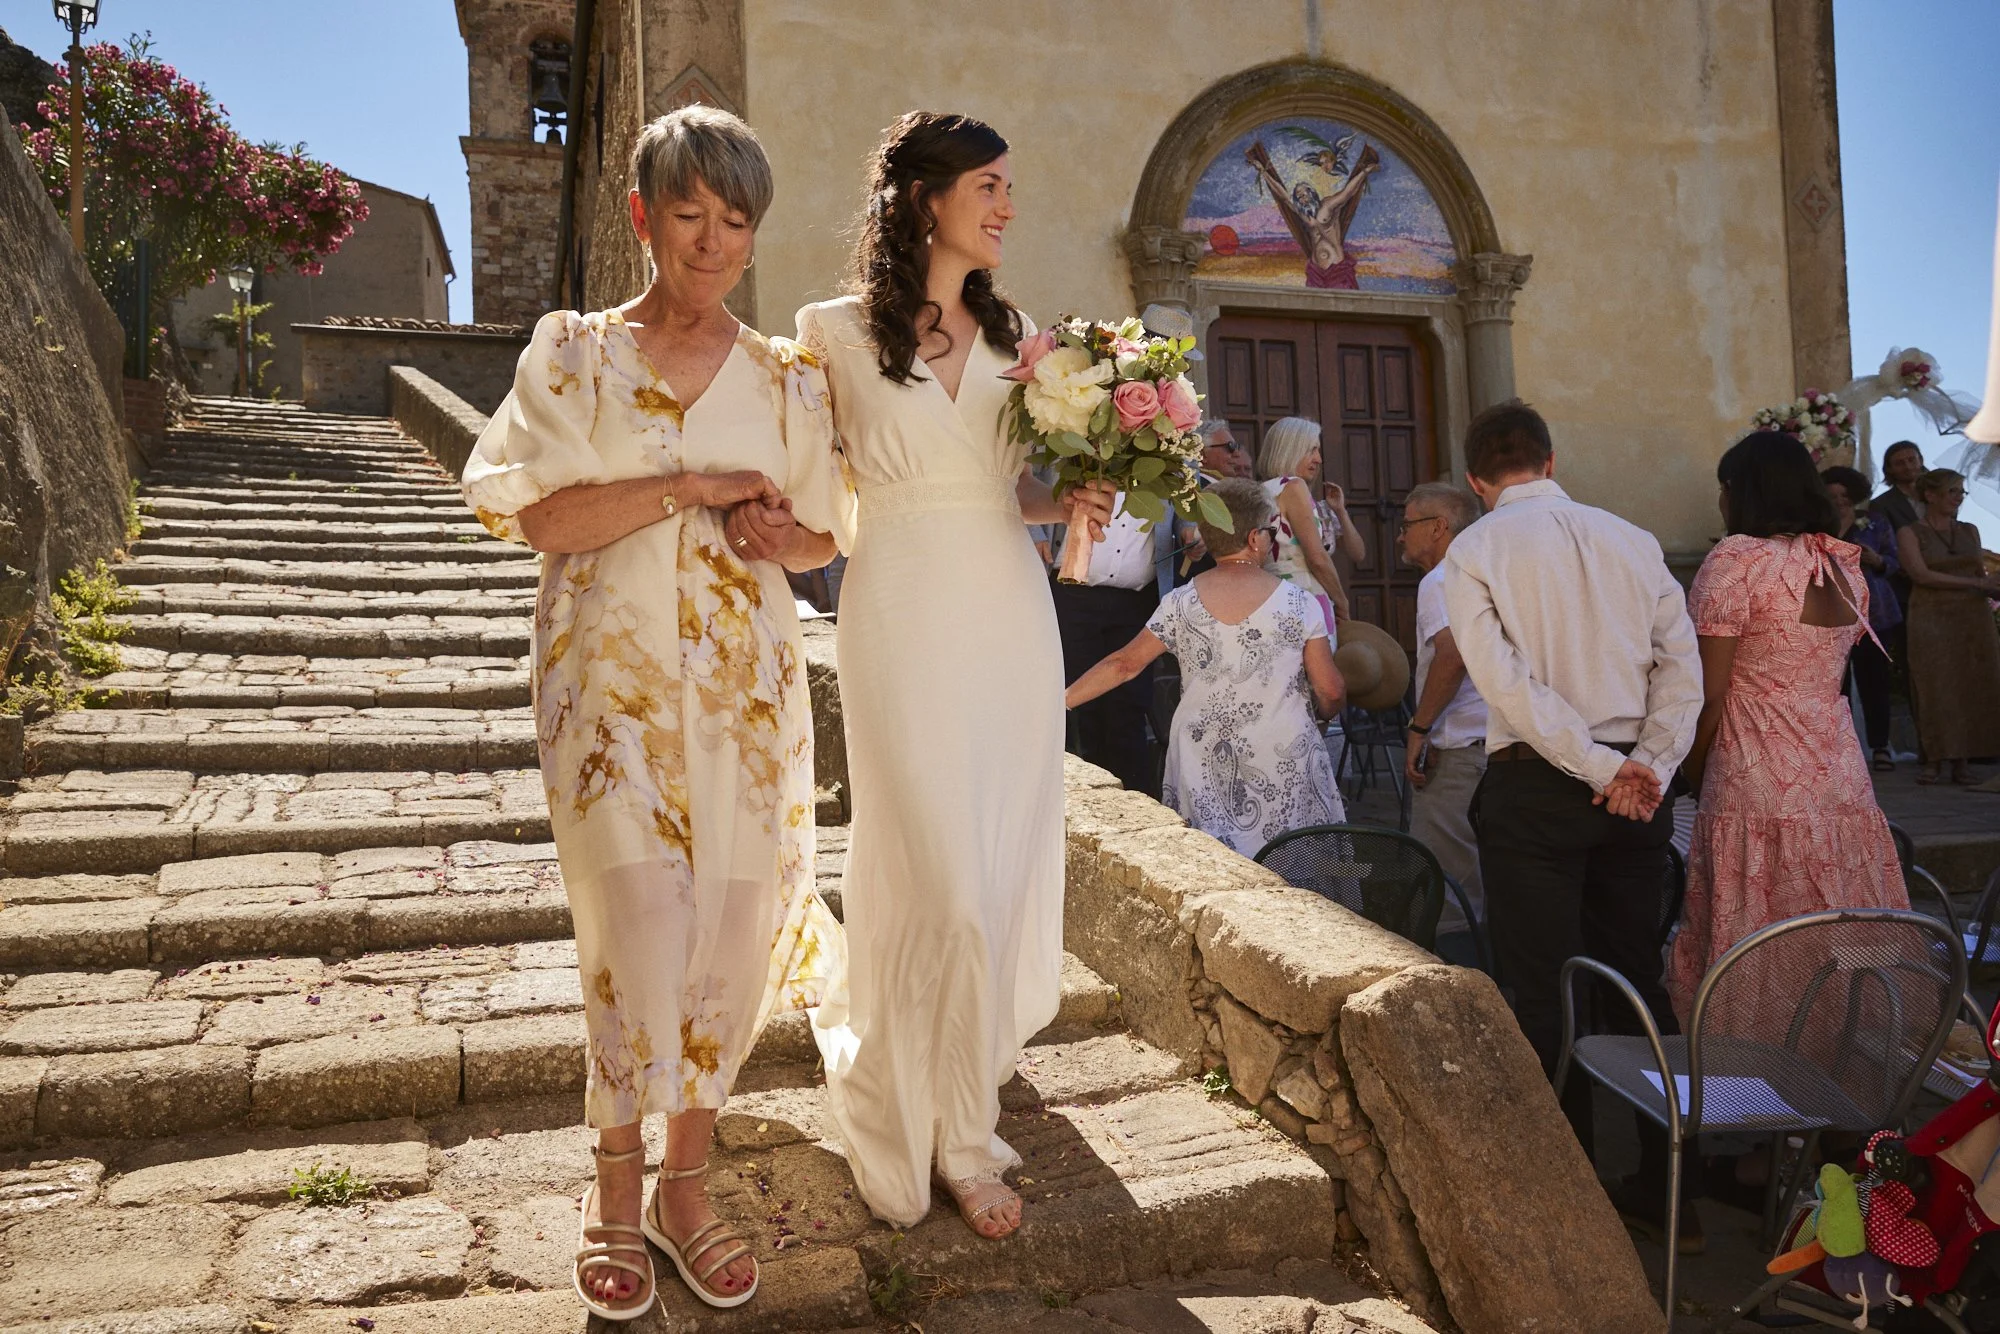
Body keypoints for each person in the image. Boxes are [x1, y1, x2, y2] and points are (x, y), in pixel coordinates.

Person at [461, 108, 851, 1320]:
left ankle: (688, 1179)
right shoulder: (572, 355)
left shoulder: (787, 374)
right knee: (638, 917)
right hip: (607, 689)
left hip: (746, 691)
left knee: (731, 930)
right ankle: (614, 1181)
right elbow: (539, 517)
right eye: (691, 213)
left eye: (736, 221)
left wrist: (780, 532)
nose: (716, 242)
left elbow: (828, 532)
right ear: (643, 215)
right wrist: (688, 484)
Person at [797, 111, 1115, 1241]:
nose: (1005, 205)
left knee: (986, 870)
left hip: (1005, 614)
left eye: (1008, 187)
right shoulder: (827, 333)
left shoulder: (1020, 336)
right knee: (931, 868)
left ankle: (963, 1123)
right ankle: (924, 1114)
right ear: (925, 197)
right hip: (895, 608)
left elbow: (1007, 488)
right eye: (988, 184)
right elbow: (807, 493)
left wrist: (1068, 498)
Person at [1441, 399, 1703, 1248]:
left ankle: (1572, 1196)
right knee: (1636, 979)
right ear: (1550, 464)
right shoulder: (1632, 539)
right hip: (1632, 793)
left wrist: (1605, 768)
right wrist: (1649, 766)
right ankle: (1670, 1192)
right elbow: (1681, 665)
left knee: (1545, 986)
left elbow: (1507, 686)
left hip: (1542, 787)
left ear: (1479, 481)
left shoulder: (1475, 548)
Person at [1666, 434, 1906, 1021]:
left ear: (1741, 491)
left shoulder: (1736, 560)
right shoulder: (1838, 564)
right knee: (1834, 933)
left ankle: (1753, 1075)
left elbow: (1712, 693)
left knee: (1758, 933)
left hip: (1758, 773)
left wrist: (1690, 773)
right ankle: (1841, 1070)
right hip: (1839, 775)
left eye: (1724, 488)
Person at [1064, 477, 1346, 854]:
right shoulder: (1300, 603)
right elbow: (1330, 689)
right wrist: (1325, 714)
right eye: (1270, 530)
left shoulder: (1180, 603)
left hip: (1203, 762)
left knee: (1214, 865)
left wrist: (1061, 701)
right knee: (1294, 868)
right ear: (1254, 538)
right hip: (1284, 755)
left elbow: (1124, 665)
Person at [1396, 482, 1488, 942]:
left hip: (1456, 752)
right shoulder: (1487, 571)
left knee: (1448, 890)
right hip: (1499, 744)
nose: (1399, 536)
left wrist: (1420, 727)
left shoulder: (1440, 580)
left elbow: (1451, 657)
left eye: (1408, 524)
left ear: (1438, 527)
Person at [1051, 492, 1166, 794]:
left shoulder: (1173, 455)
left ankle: (1138, 806)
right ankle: (1079, 802)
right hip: (1073, 593)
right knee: (1075, 705)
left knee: (1129, 709)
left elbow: (1179, 513)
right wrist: (1035, 530)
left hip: (1138, 598)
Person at [1897, 468, 2000, 784]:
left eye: (1961, 492)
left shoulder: (1970, 531)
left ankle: (1964, 759)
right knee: (1935, 684)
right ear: (1931, 495)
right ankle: (1935, 758)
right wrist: (1974, 583)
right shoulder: (1910, 532)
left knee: (1971, 683)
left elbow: (1980, 573)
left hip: (1972, 617)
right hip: (1931, 615)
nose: (1958, 498)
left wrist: (1989, 585)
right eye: (1953, 491)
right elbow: (1920, 574)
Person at [1820, 465, 1902, 771]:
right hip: (1830, 613)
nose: (1839, 500)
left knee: (1875, 681)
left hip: (1874, 613)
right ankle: (1839, 746)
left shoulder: (1875, 522)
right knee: (1834, 685)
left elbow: (1894, 561)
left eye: (1844, 494)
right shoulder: (1817, 525)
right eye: (1832, 495)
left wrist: (1877, 560)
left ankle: (1880, 746)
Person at [1256, 416, 1363, 631]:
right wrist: (1342, 602)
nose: (1319, 459)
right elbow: (1317, 558)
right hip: (1303, 597)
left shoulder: (1262, 490)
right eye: (1312, 450)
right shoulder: (1294, 487)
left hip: (1270, 596)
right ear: (1291, 449)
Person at [1177, 418, 1254, 579]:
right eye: (1230, 447)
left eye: (1237, 446)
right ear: (1202, 455)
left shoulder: (1226, 491)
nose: (1237, 453)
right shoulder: (1195, 491)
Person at [1874, 439, 1928, 533]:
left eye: (1911, 460)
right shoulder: (1881, 504)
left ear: (1921, 460)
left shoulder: (1939, 495)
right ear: (1890, 469)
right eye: (1899, 463)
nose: (1907, 467)